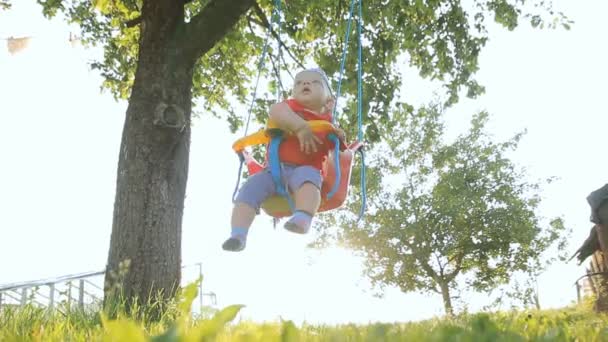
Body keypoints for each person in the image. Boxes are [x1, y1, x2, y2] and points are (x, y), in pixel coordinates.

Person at [222, 68, 345, 252]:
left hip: (307, 169)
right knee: (248, 191)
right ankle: (238, 235)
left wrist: (339, 136)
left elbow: (341, 149)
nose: (305, 84)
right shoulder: (288, 109)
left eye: (314, 82)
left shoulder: (327, 121)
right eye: (299, 82)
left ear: (329, 102)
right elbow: (275, 111)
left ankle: (302, 218)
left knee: (309, 183)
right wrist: (300, 127)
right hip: (272, 172)